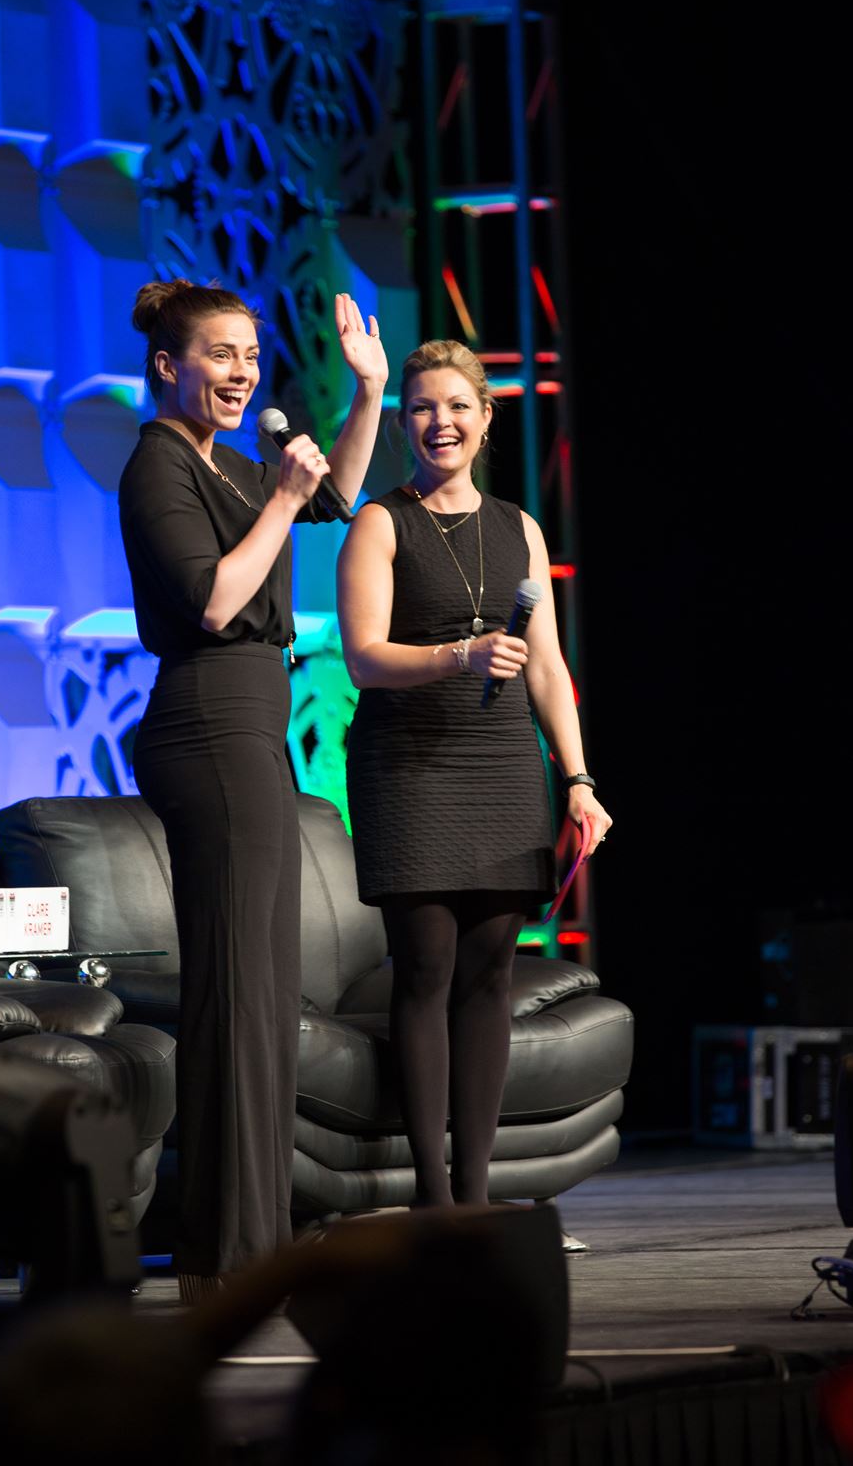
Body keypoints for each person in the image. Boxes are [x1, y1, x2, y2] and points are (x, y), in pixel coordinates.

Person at [119, 279, 387, 1298]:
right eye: (218, 355)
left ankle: (257, 1242)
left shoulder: (228, 464)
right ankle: (224, 1257)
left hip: (254, 723)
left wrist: (364, 396)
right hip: (204, 721)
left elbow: (332, 501)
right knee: (234, 998)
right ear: (168, 368)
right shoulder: (156, 469)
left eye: (249, 354)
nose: (239, 373)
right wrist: (279, 497)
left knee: (267, 995)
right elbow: (217, 598)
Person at [337, 339, 613, 1208]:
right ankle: (433, 1197)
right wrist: (458, 655)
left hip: (501, 768)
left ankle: (478, 1191)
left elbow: (546, 667)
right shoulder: (382, 522)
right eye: (422, 407)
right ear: (402, 422)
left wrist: (577, 780)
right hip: (409, 765)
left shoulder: (518, 528)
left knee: (493, 968)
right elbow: (364, 659)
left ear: (487, 419)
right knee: (424, 966)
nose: (439, 423)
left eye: (457, 406)